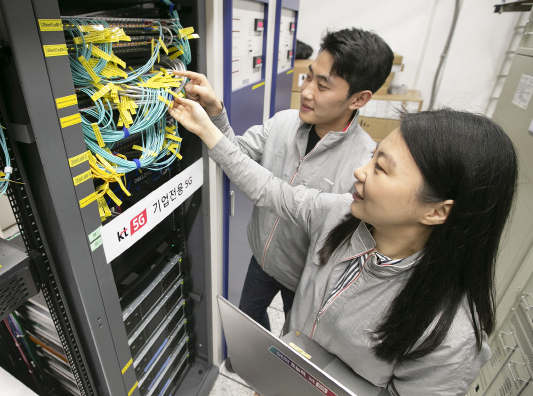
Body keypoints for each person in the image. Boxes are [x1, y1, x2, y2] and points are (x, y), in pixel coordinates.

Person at [168, 95, 518, 395]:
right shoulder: (339, 215)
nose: (360, 171)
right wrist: (208, 128)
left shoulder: (450, 336)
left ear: (437, 210)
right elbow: (270, 190)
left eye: (380, 167)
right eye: (373, 156)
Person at [173, 28, 393, 337]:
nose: (306, 91)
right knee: (249, 323)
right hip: (261, 259)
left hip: (303, 280)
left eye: (323, 85)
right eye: (309, 77)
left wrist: (207, 129)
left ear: (359, 98)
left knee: (292, 347)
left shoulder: (362, 164)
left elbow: (273, 194)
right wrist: (216, 112)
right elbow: (237, 155)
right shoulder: (285, 122)